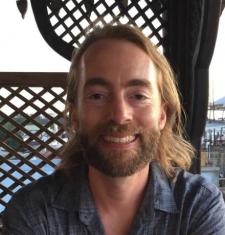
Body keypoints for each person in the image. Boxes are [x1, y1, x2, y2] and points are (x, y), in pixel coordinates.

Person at [3, 24, 225, 235]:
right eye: (97, 96)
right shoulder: (33, 212)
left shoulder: (197, 205)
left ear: (162, 114)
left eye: (138, 96)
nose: (119, 115)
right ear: (75, 116)